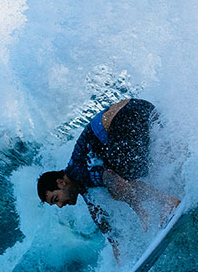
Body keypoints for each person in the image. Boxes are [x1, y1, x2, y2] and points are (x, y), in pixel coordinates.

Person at [38, 98, 180, 263]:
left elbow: (113, 180)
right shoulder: (79, 181)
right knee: (129, 173)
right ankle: (175, 190)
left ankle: (168, 202)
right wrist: (115, 244)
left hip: (128, 116)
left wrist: (139, 210)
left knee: (117, 183)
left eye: (56, 199)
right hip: (140, 110)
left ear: (61, 183)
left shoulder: (78, 172)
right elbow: (96, 212)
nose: (60, 205)